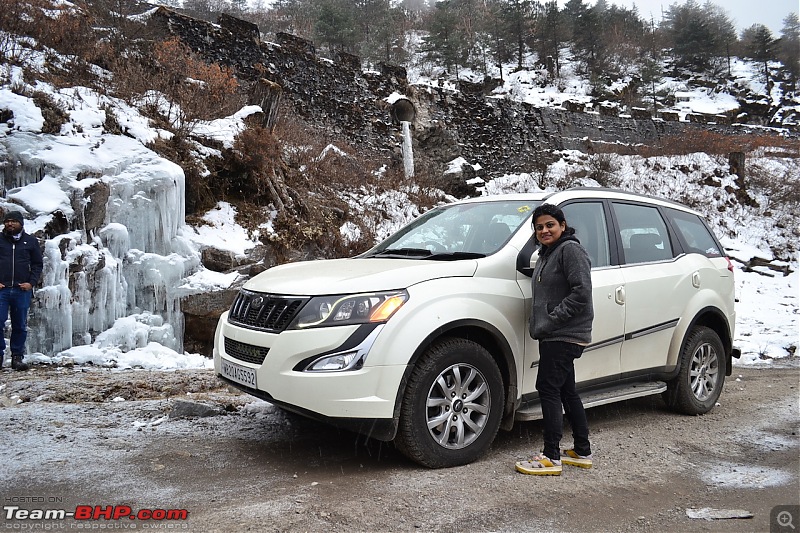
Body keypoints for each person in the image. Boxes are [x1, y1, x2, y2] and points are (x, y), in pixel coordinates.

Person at [516, 203, 594, 476]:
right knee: (566, 391)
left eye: (550, 224)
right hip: (555, 335)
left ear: (562, 225)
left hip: (563, 334)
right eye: (539, 227)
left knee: (547, 389)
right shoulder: (549, 253)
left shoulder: (570, 250)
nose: (544, 230)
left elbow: (582, 292)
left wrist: (551, 319)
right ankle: (581, 451)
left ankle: (551, 456)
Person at [0, 210, 43, 371]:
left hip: (21, 290)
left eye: (13, 221)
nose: (10, 224)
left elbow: (37, 264)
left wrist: (31, 283)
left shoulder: (30, 241)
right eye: (7, 221)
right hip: (2, 290)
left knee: (19, 325)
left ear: (21, 223)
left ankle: (17, 357)